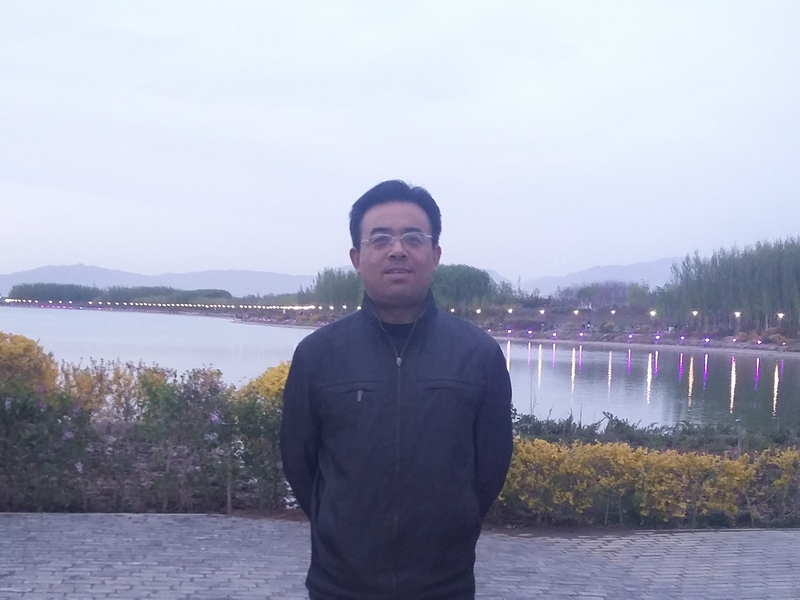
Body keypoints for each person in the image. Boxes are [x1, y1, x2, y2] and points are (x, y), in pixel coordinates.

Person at [280, 180, 513, 600]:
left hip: (444, 585)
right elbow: (300, 462)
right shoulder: (318, 356)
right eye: (381, 238)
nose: (397, 250)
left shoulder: (478, 355)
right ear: (357, 258)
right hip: (339, 586)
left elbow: (490, 465)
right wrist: (338, 525)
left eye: (413, 238)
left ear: (435, 254)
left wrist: (455, 523)